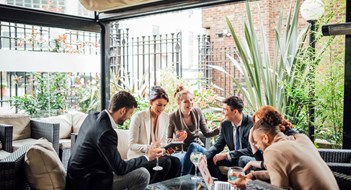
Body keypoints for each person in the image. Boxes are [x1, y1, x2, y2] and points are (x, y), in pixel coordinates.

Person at [66, 91, 160, 190]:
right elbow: (120, 169)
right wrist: (147, 157)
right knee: (142, 174)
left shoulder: (92, 116)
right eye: (130, 113)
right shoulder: (106, 132)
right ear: (122, 110)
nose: (129, 118)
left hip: (75, 178)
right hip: (88, 183)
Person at [230, 109, 338, 190]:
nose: (257, 146)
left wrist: (248, 184)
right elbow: (286, 172)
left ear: (265, 138)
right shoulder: (301, 138)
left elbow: (278, 189)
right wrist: (254, 175)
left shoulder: (272, 151)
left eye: (257, 142)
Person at [128, 86, 181, 183]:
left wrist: (169, 147)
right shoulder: (138, 117)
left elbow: (163, 143)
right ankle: (151, 187)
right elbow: (131, 145)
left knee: (176, 162)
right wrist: (148, 147)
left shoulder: (165, 117)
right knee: (166, 162)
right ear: (151, 102)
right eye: (159, 105)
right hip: (140, 157)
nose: (162, 109)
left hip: (156, 157)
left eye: (164, 105)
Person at [168, 86, 219, 175]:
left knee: (193, 145)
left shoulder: (197, 112)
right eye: (186, 101)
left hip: (198, 147)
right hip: (182, 150)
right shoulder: (172, 117)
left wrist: (219, 130)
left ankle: (183, 176)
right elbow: (168, 139)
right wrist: (177, 139)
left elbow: (206, 134)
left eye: (191, 100)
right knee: (183, 157)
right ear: (179, 103)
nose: (190, 103)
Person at [205, 95, 253, 181]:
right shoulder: (225, 124)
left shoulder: (251, 123)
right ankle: (221, 183)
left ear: (235, 112)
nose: (222, 112)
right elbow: (217, 146)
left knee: (242, 159)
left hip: (246, 159)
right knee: (210, 159)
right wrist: (205, 155)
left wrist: (227, 154)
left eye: (225, 109)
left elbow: (250, 150)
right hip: (233, 158)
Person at [239, 105, 298, 170]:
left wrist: (252, 164)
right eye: (256, 124)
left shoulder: (289, 136)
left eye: (259, 123)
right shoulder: (266, 135)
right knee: (243, 159)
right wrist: (252, 143)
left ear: (268, 121)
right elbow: (262, 160)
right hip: (272, 166)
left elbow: (270, 165)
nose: (257, 127)